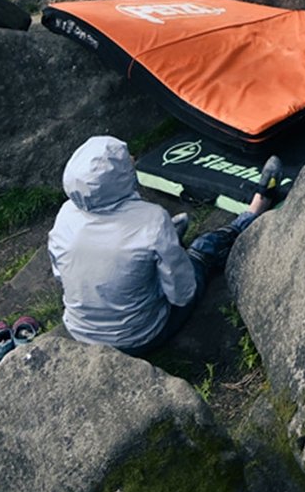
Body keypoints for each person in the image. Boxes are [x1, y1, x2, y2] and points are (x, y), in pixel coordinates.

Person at [48, 135, 283, 358]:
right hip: (140, 336)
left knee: (138, 254)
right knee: (202, 249)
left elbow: (61, 275)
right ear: (118, 178)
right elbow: (183, 292)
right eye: (126, 159)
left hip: (80, 332)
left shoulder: (65, 215)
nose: (132, 159)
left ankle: (161, 249)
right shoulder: (151, 221)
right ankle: (255, 209)